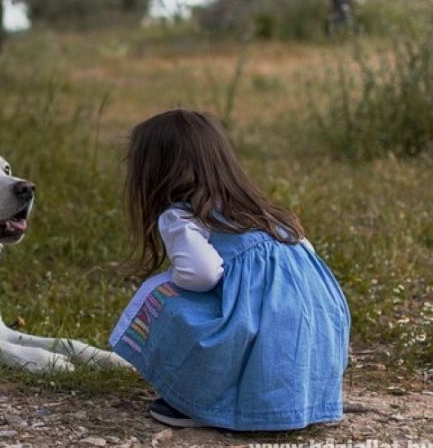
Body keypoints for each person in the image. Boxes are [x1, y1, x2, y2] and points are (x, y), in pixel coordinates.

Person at [109, 109, 350, 431]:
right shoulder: (265, 213)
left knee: (160, 294)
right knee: (263, 314)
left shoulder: (181, 216)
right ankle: (292, 398)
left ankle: (201, 400)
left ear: (155, 172)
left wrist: (174, 280)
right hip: (316, 334)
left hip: (262, 332)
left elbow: (202, 274)